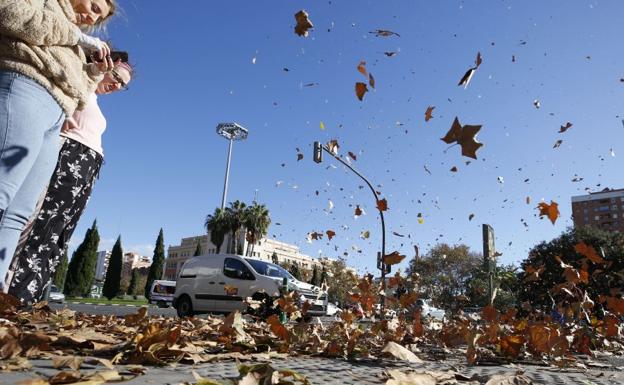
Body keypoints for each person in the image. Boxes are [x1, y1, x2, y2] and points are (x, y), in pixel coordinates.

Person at [0, 0, 116, 291]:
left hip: (57, 112)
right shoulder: (52, 9)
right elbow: (9, 14)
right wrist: (77, 37)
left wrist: (92, 73)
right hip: (26, 84)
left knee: (18, 213)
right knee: (2, 191)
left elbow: (78, 90)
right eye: (92, 5)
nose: (91, 15)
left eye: (97, 15)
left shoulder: (75, 37)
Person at [8, 61, 133, 305]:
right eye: (116, 76)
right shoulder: (80, 86)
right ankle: (14, 294)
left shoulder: (95, 102)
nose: (116, 85)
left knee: (60, 234)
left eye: (122, 85)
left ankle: (30, 298)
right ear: (104, 67)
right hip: (69, 158)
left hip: (87, 167)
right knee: (43, 224)